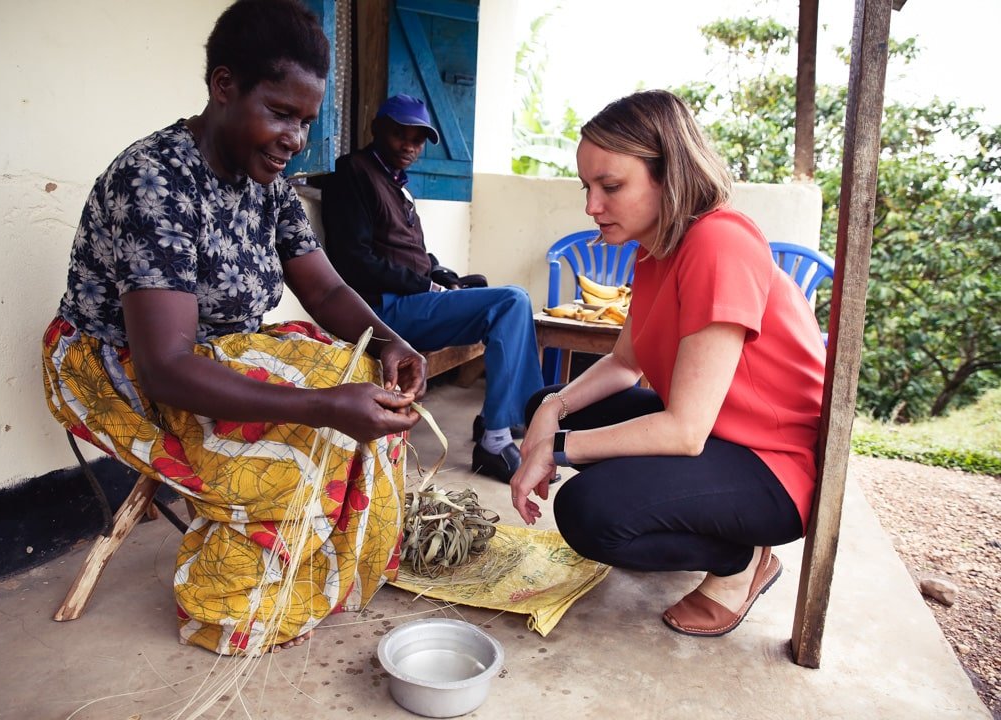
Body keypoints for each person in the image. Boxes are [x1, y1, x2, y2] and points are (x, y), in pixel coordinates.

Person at [41, 0, 427, 656]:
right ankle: (232, 601)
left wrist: (393, 342)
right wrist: (322, 407)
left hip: (216, 352)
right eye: (280, 113)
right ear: (224, 87)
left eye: (306, 121)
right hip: (121, 369)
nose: (294, 139)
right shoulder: (155, 181)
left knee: (366, 382)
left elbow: (327, 287)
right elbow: (165, 365)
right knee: (303, 440)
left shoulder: (267, 182)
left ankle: (317, 574)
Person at [510, 90, 826, 637]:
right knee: (545, 402)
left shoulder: (719, 243)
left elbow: (683, 431)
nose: (592, 206)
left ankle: (741, 560)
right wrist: (551, 415)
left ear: (669, 175)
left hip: (774, 465)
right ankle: (693, 515)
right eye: (587, 187)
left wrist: (554, 450)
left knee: (589, 512)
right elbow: (623, 364)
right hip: (717, 435)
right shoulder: (655, 250)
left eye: (611, 186)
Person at [321, 94, 544, 483]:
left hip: (412, 300)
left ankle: (509, 420)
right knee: (511, 301)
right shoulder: (353, 173)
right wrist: (426, 284)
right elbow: (353, 261)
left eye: (419, 139)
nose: (410, 145)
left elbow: (412, 255)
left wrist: (443, 276)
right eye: (399, 134)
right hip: (383, 312)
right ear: (377, 130)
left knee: (499, 297)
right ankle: (494, 439)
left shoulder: (395, 182)